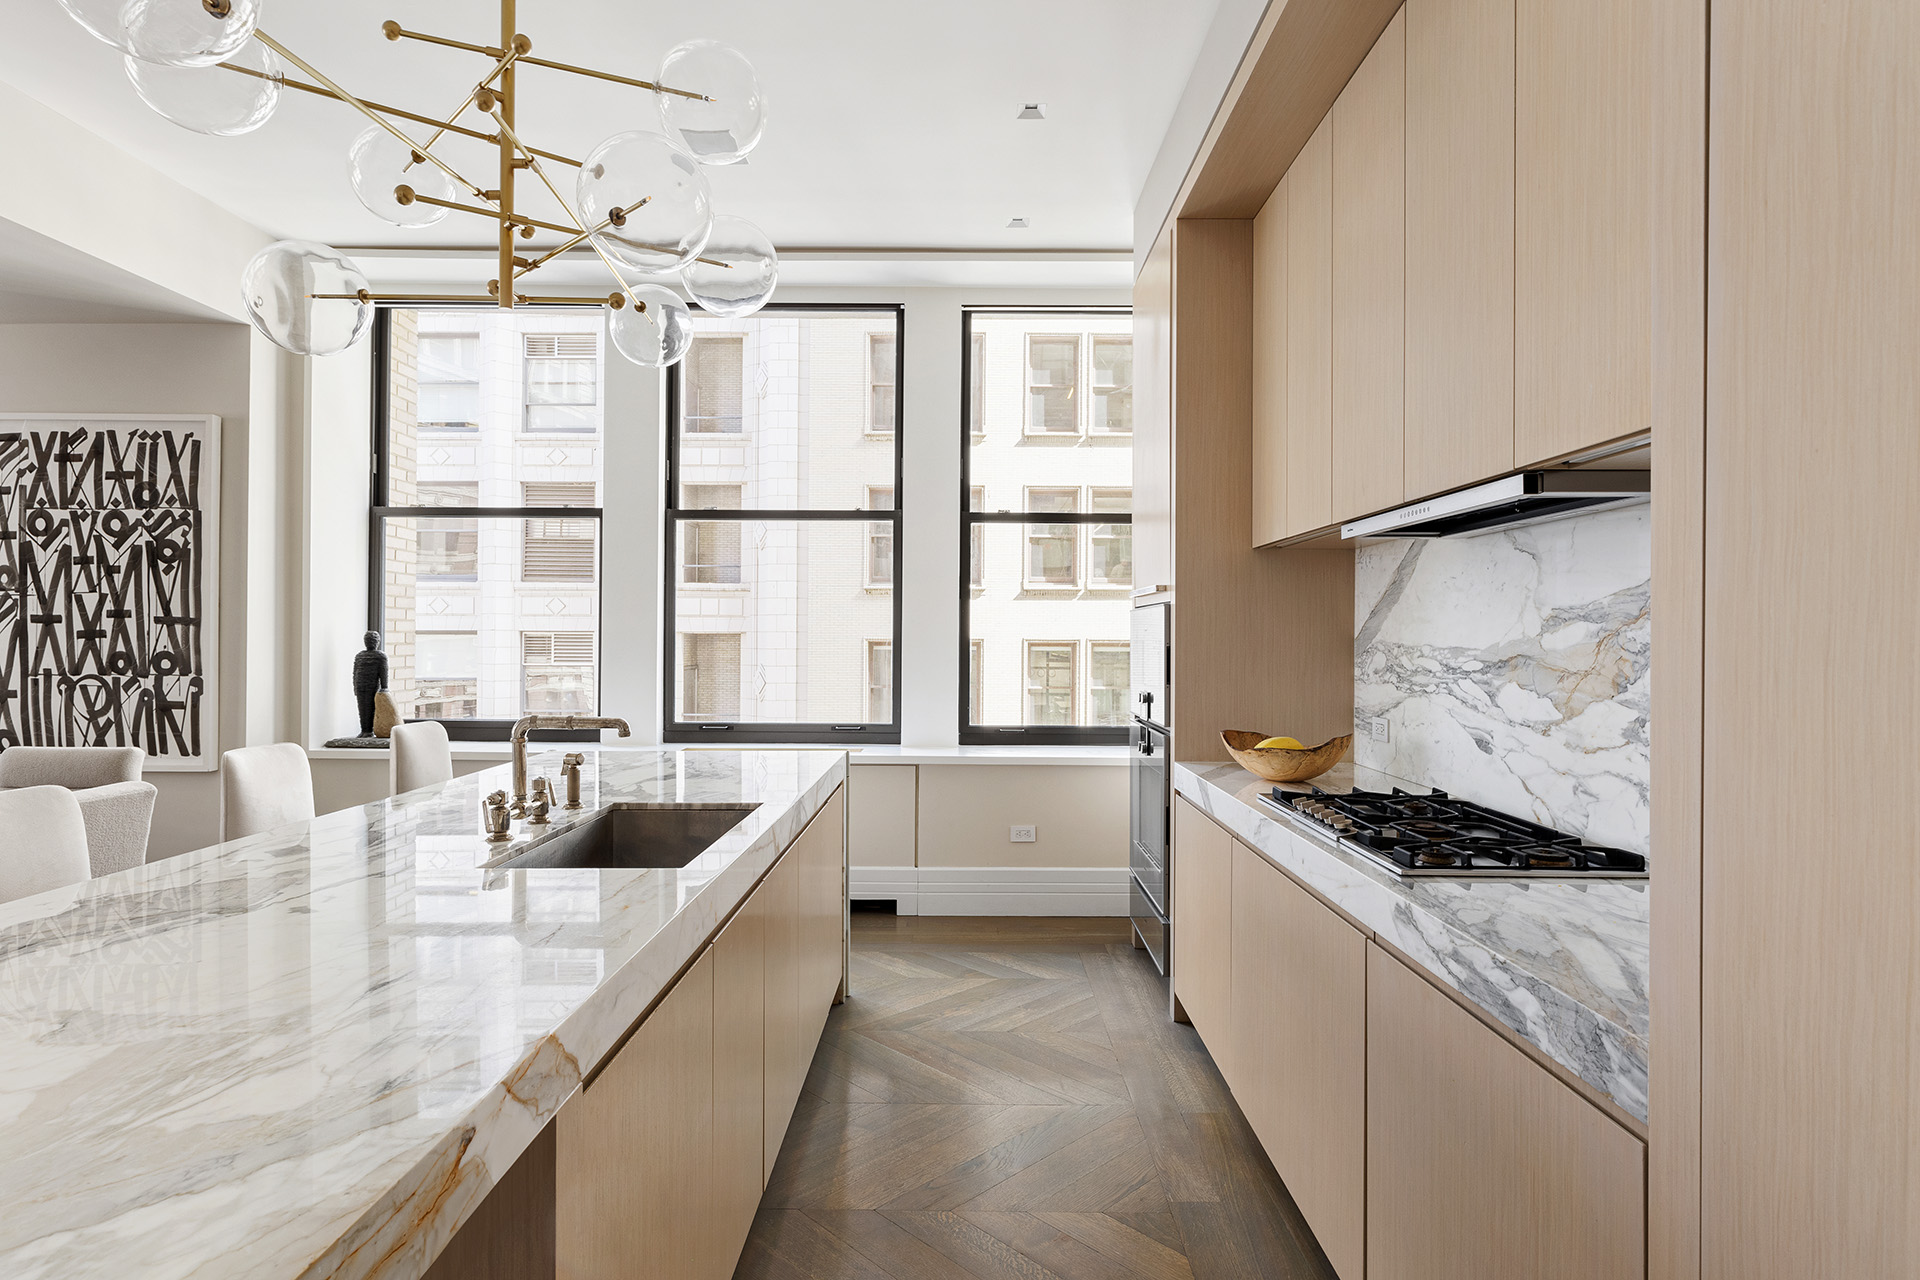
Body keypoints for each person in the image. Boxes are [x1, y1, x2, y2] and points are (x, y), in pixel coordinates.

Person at [352, 631, 389, 737]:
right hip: (360, 685)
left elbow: (383, 672)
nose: (370, 642)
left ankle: (370, 730)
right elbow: (355, 673)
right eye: (368, 640)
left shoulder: (381, 656)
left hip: (373, 686)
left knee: (371, 708)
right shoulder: (359, 656)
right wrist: (355, 687)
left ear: (377, 642)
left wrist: (384, 687)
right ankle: (364, 730)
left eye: (373, 640)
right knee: (362, 708)